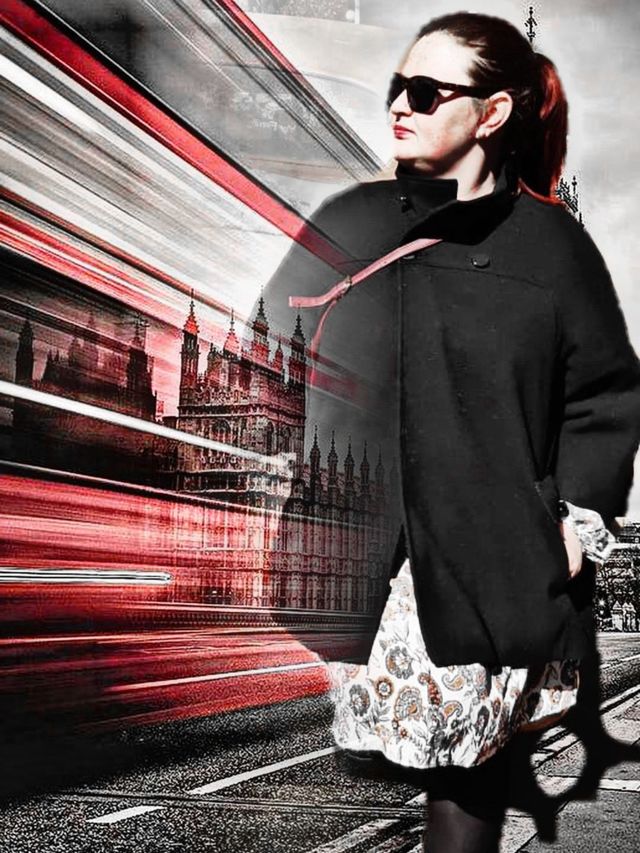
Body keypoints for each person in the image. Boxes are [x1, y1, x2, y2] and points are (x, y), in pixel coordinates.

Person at [250, 11, 640, 852]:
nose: (399, 104)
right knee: (439, 767)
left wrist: (575, 528)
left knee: (464, 774)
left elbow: (603, 392)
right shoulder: (361, 220)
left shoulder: (552, 246)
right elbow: (279, 340)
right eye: (398, 86)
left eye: (426, 92)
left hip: (491, 553)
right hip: (380, 556)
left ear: (491, 114)